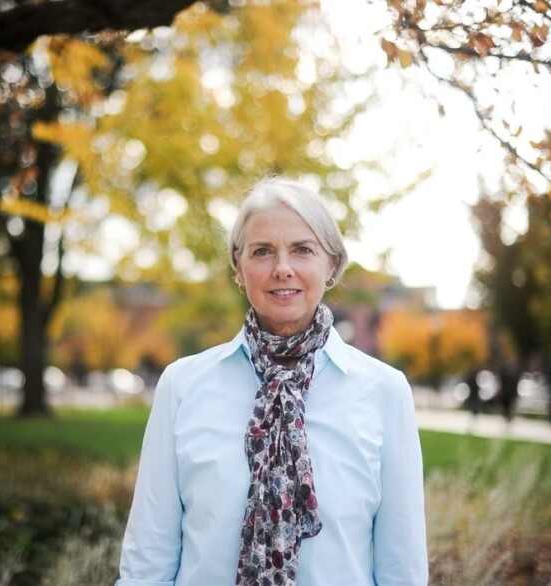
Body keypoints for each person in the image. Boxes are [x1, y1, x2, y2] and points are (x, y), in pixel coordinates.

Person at [116, 177, 428, 586]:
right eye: (262, 251)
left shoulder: (384, 392)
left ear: (330, 264)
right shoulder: (182, 387)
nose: (283, 268)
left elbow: (401, 570)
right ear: (238, 267)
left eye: (302, 249)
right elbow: (147, 564)